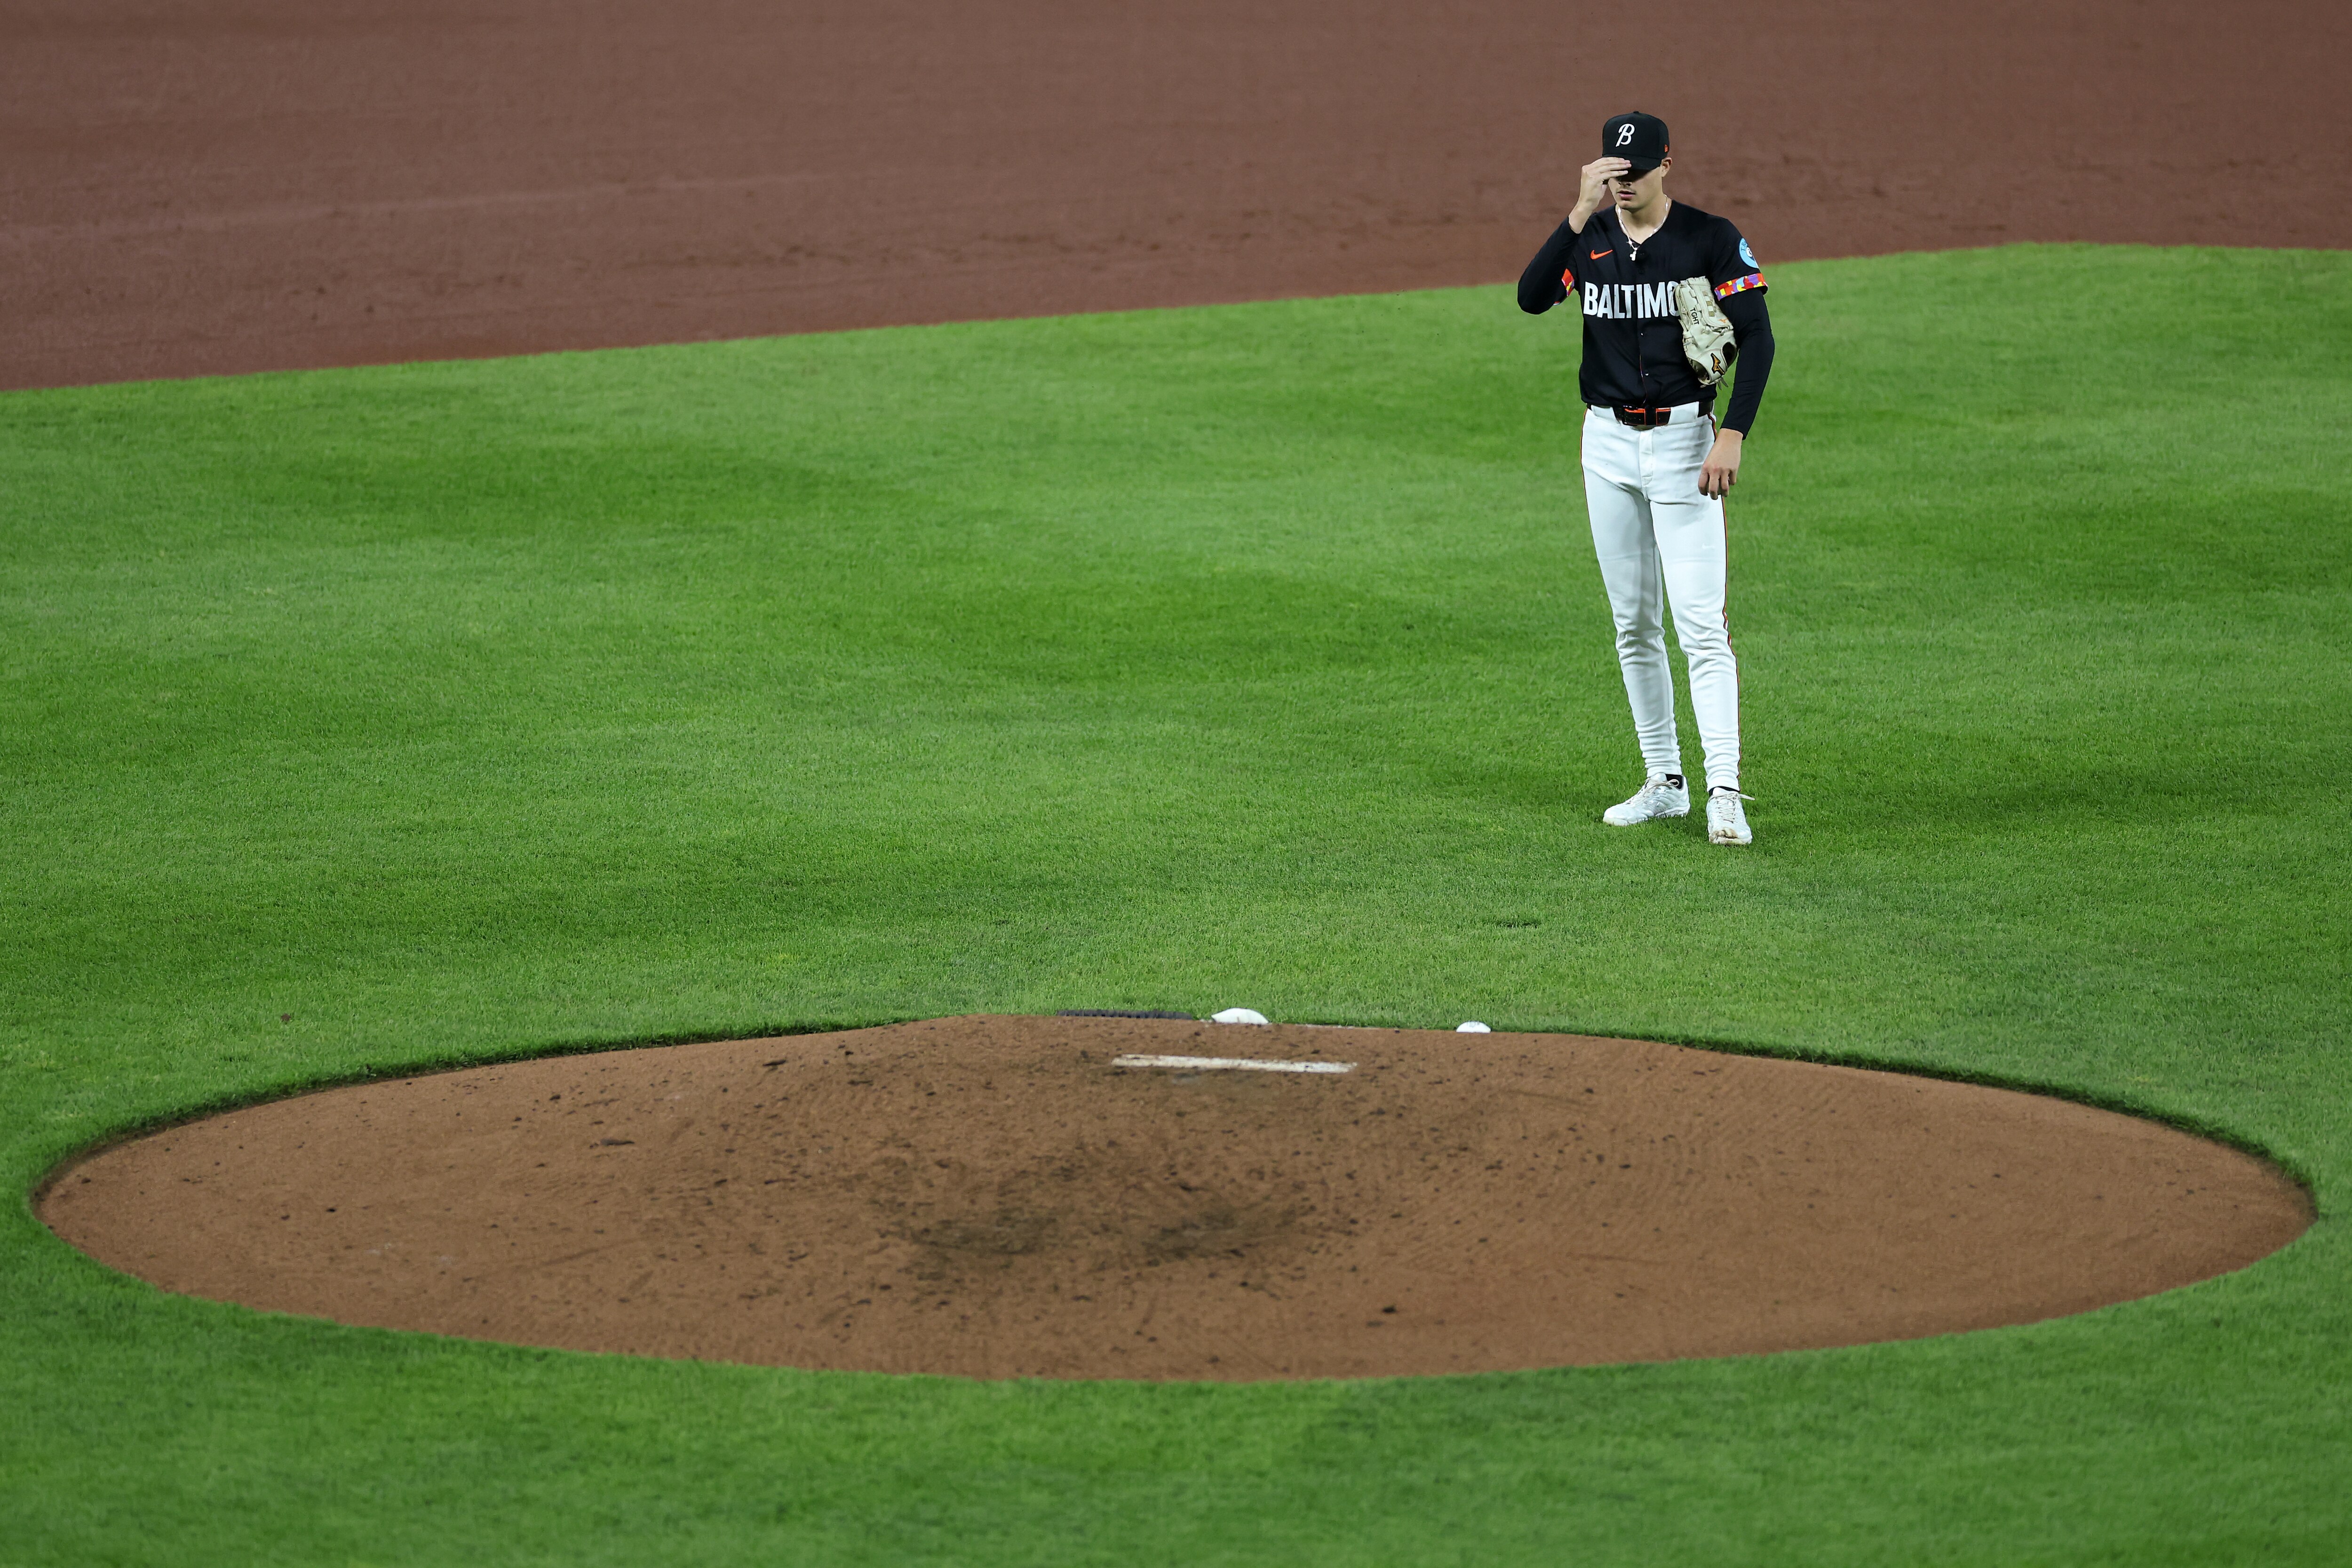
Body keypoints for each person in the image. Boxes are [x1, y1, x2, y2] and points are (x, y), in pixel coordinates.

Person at [1518, 111, 1775, 846]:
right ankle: (1664, 780)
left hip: (1685, 444)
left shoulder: (1709, 238)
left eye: (1633, 174)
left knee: (1700, 627)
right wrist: (1575, 212)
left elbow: (1757, 338)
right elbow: (1533, 296)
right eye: (1612, 172)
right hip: (1606, 446)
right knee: (1634, 623)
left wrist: (1731, 435)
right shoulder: (1590, 238)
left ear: (1667, 164)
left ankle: (1725, 788)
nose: (1622, 185)